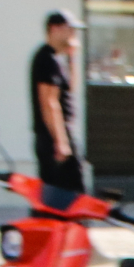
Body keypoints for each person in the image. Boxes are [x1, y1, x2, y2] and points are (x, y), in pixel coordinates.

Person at [32, 10, 84, 193]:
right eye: (70, 29)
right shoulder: (46, 59)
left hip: (62, 134)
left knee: (72, 193)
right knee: (62, 194)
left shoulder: (57, 60)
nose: (73, 34)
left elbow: (71, 88)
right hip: (52, 138)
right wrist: (60, 142)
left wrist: (72, 57)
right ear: (54, 29)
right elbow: (49, 102)